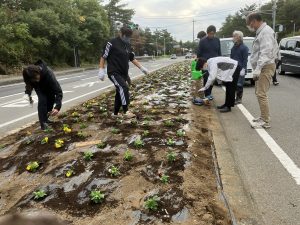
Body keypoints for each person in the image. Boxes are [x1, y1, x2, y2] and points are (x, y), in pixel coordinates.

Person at [98, 25, 149, 118]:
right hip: (113, 72)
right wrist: (101, 69)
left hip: (124, 73)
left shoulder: (128, 45)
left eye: (129, 36)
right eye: (125, 36)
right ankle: (126, 111)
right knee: (123, 87)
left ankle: (115, 113)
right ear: (120, 33)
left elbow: (132, 58)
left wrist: (142, 68)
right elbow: (103, 56)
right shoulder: (111, 43)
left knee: (119, 91)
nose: (127, 38)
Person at [246, 12, 279, 129]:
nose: (250, 26)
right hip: (263, 66)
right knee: (259, 92)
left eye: (250, 24)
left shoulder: (265, 32)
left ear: (254, 21)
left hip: (266, 66)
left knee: (261, 93)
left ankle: (265, 121)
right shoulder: (261, 32)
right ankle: (263, 116)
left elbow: (266, 52)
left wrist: (258, 68)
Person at [23, 60, 63, 130]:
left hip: (49, 85)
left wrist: (57, 107)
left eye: (36, 78)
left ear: (38, 72)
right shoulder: (29, 75)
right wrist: (27, 93)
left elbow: (58, 91)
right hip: (39, 88)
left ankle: (46, 119)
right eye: (34, 80)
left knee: (51, 99)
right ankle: (43, 123)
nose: (36, 80)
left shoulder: (49, 74)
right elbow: (29, 84)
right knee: (42, 100)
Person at [197, 25, 221, 100]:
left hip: (215, 63)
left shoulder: (217, 40)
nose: (211, 35)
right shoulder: (202, 41)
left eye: (213, 34)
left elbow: (219, 52)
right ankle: (207, 94)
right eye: (210, 33)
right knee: (206, 78)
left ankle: (209, 92)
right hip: (206, 63)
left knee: (213, 79)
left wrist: (220, 61)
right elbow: (199, 54)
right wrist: (203, 62)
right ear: (207, 33)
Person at [230, 30, 249, 104]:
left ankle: (239, 98)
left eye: (235, 36)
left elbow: (245, 59)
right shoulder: (233, 48)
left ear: (239, 37)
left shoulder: (244, 48)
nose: (233, 37)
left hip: (241, 69)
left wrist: (243, 69)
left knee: (239, 84)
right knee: (234, 84)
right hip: (234, 68)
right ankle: (235, 97)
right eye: (233, 36)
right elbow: (231, 58)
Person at [192, 31, 207, 106]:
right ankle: (199, 96)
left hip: (203, 64)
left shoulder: (204, 43)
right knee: (199, 82)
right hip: (200, 65)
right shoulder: (202, 42)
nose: (200, 39)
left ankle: (201, 96)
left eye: (200, 38)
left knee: (200, 82)